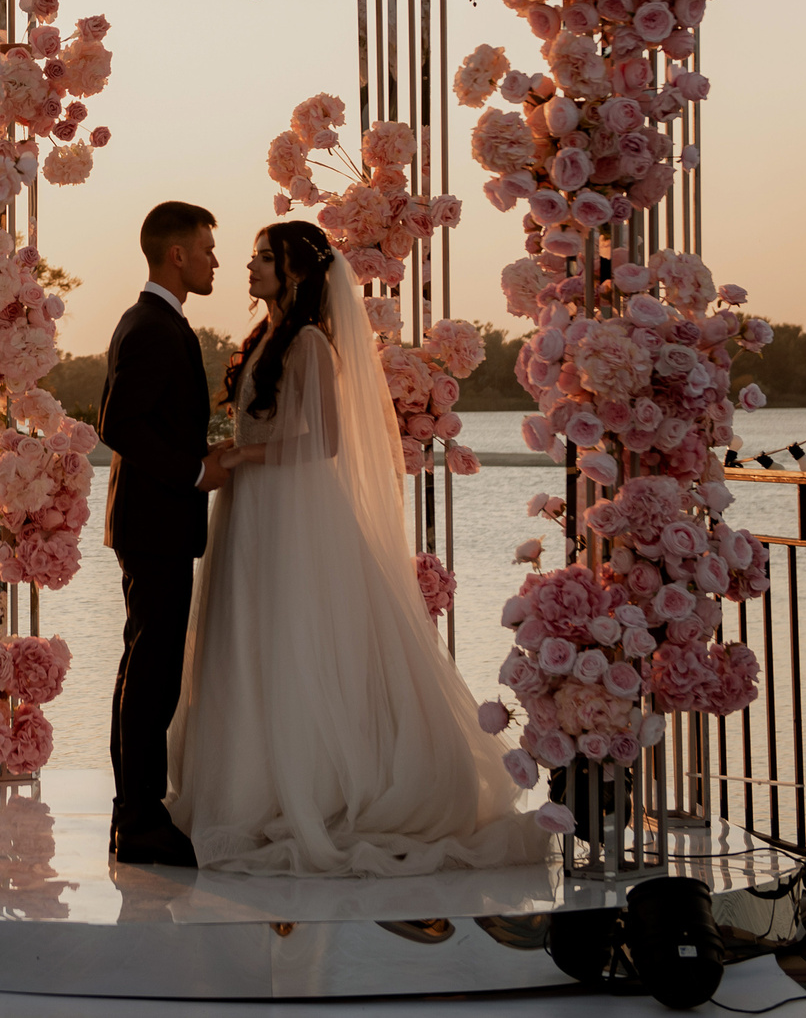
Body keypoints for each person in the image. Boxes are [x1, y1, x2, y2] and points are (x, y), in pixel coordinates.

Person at [165, 220, 548, 876]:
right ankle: (244, 781)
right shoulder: (265, 337)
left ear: (295, 271)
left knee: (291, 638)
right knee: (249, 637)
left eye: (263, 258)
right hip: (252, 505)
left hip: (288, 508)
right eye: (254, 256)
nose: (249, 267)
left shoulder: (313, 343)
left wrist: (237, 454)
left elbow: (325, 440)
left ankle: (307, 785)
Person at [97, 200, 244, 866]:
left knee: (147, 667)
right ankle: (139, 818)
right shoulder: (154, 326)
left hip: (154, 522)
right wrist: (193, 471)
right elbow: (118, 423)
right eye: (208, 248)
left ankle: (135, 813)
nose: (217, 259)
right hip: (155, 520)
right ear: (177, 253)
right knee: (151, 671)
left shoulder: (155, 320)